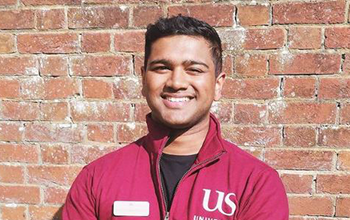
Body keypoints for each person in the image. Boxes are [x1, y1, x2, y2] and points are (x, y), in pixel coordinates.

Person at [62, 15, 289, 220]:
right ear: (143, 80)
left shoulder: (257, 184)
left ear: (218, 84)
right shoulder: (96, 179)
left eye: (194, 70)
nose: (176, 82)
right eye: (162, 68)